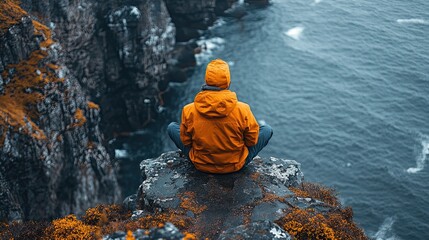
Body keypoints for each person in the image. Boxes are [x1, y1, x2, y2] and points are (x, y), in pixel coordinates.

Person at [167, 59, 273, 174]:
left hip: (201, 164)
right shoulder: (243, 109)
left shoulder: (189, 110)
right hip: (235, 165)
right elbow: (251, 142)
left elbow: (186, 142)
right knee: (267, 130)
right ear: (228, 82)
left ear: (206, 81)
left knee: (172, 127)